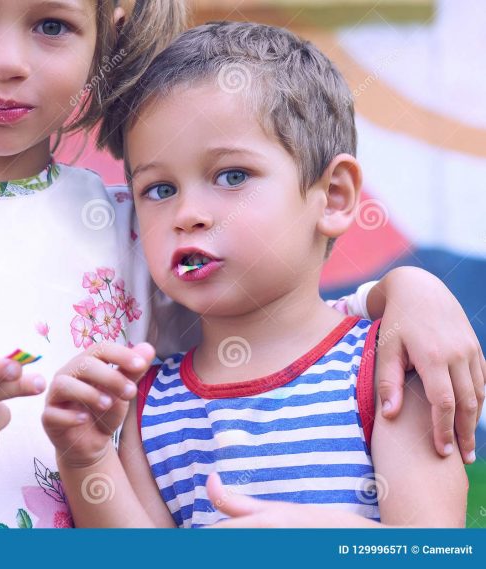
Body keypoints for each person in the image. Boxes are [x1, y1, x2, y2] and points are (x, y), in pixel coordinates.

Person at [0, 1, 480, 529]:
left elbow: (277, 322)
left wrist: (405, 291)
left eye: (51, 25)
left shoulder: (143, 225)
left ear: (106, 35)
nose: (6, 60)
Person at [43, 22, 475, 528]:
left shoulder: (388, 370)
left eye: (231, 176)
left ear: (333, 196)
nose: (188, 213)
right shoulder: (147, 409)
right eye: (159, 189)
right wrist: (87, 459)